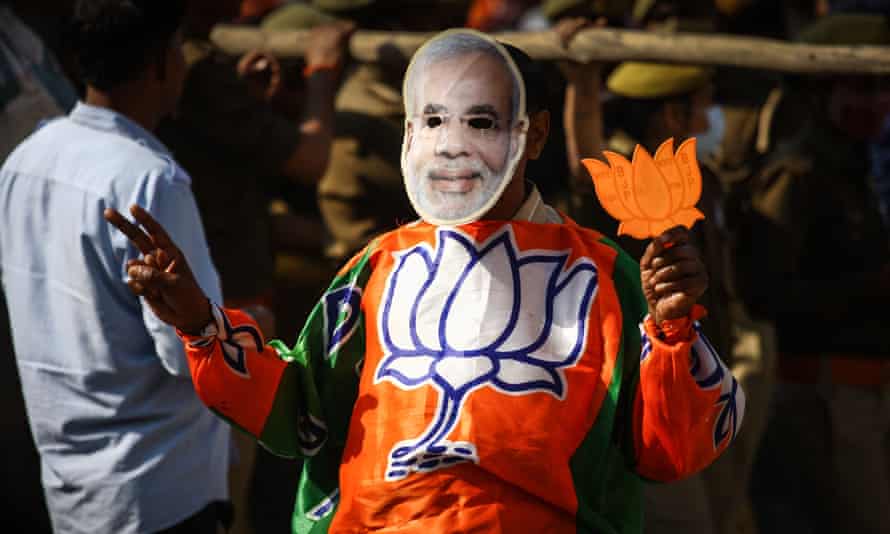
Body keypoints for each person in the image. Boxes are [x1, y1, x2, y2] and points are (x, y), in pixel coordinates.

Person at [107, 30, 744, 533]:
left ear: (536, 133)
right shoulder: (378, 265)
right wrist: (199, 325)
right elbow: (302, 410)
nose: (452, 144)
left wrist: (671, 329)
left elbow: (668, 450)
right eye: (435, 121)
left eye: (482, 122)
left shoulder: (606, 272)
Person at [0, 1, 231, 532]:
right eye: (178, 49)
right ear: (159, 64)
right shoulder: (150, 180)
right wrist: (256, 322)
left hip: (72, 490)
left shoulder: (26, 160)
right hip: (161, 491)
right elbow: (190, 352)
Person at [743, 13, 890, 534]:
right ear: (821, 92)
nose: (875, 103)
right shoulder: (797, 175)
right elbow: (766, 293)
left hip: (860, 396)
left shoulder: (856, 168)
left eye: (882, 89)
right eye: (860, 87)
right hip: (825, 399)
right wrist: (871, 287)